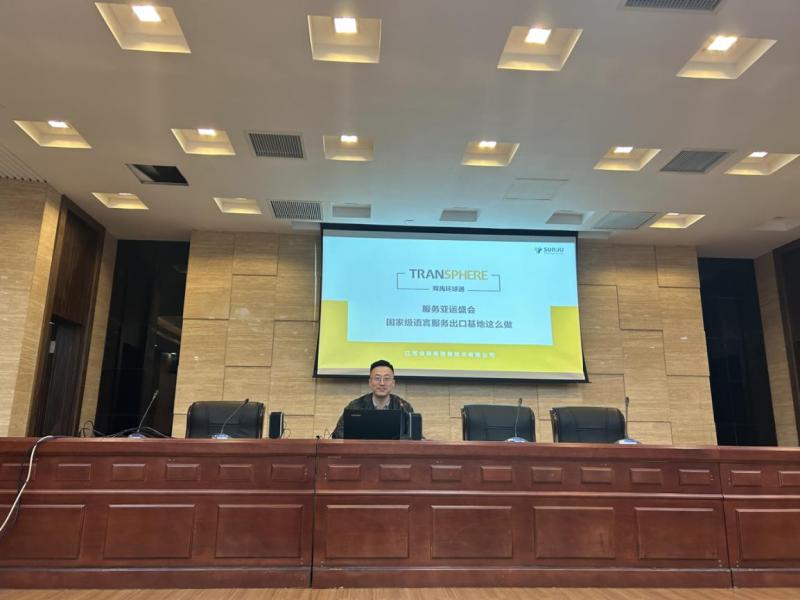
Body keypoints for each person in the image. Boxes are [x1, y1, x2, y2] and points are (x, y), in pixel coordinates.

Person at [332, 359, 415, 439]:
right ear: (370, 382)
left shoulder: (404, 407)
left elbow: (414, 436)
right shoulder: (355, 406)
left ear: (393, 383)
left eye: (386, 378)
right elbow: (338, 434)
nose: (382, 383)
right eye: (377, 378)